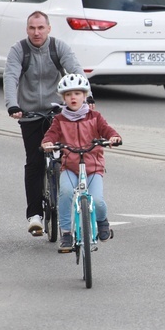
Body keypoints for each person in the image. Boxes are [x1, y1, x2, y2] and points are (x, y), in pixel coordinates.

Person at [4, 11, 92, 236]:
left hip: (57, 113)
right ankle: (35, 215)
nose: (36, 32)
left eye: (41, 28)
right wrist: (13, 105)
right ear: (27, 29)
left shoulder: (58, 47)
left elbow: (76, 70)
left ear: (49, 28)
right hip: (30, 113)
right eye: (32, 28)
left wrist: (87, 96)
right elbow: (11, 77)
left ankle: (66, 209)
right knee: (34, 163)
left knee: (66, 159)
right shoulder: (19, 50)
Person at [41, 74, 121, 253]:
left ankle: (102, 222)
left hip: (93, 167)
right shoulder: (60, 119)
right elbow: (51, 134)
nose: (73, 97)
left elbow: (107, 130)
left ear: (85, 96)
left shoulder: (95, 116)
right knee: (66, 193)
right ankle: (67, 233)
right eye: (68, 95)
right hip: (70, 166)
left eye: (77, 93)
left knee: (98, 200)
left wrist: (113, 137)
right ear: (63, 98)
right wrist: (47, 142)